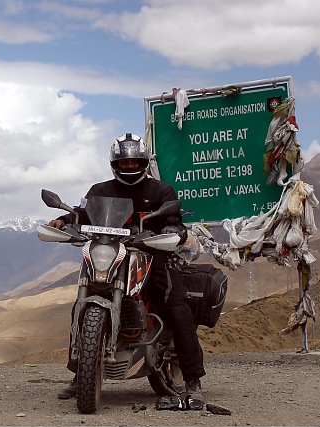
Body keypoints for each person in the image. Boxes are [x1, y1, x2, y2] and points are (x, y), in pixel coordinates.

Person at [48, 133, 206, 409]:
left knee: (176, 307)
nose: (130, 167)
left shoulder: (161, 192)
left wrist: (172, 230)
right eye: (125, 163)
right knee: (80, 305)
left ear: (143, 162)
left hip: (152, 254)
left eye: (135, 162)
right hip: (109, 253)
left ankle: (193, 380)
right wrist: (64, 219)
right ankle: (80, 374)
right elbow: (83, 213)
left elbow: (175, 221)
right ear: (115, 164)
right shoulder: (100, 190)